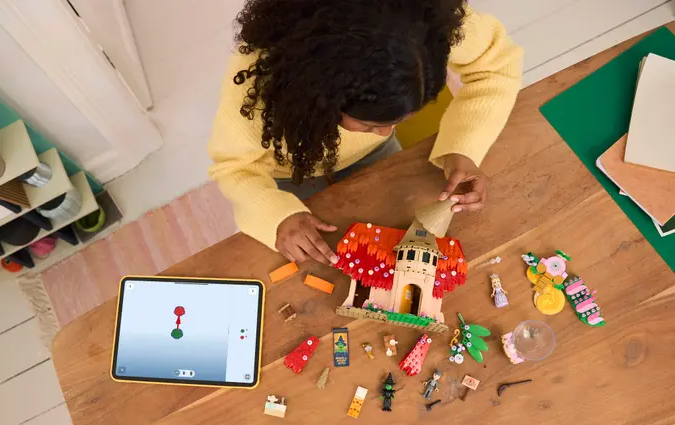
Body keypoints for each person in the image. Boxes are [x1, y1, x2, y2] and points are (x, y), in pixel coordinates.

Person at [208, 0, 523, 265]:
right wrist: (277, 217)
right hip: (287, 174)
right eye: (370, 125)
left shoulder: (426, 20)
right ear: (320, 95)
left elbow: (496, 67)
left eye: (399, 120)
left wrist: (463, 148)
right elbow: (235, 168)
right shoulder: (257, 84)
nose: (384, 133)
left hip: (373, 159)